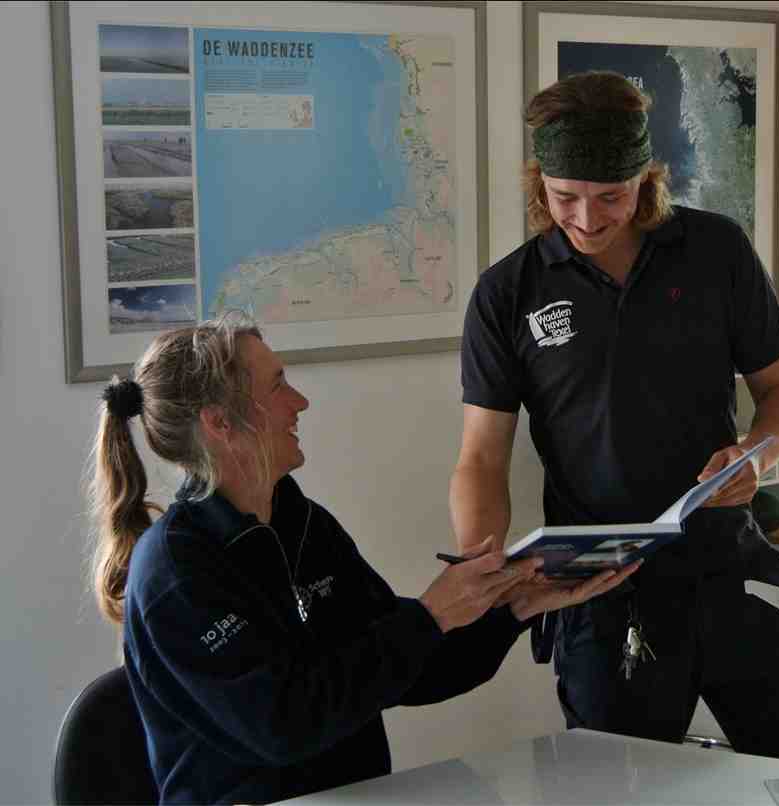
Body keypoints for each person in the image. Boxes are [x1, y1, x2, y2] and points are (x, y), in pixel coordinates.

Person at [87, 315, 638, 805]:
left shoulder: (302, 524)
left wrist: (514, 607)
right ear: (220, 423)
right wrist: (429, 616)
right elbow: (284, 726)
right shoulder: (175, 571)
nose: (299, 402)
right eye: (278, 386)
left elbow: (411, 672)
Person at [449, 71, 779, 759]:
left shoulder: (716, 251)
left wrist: (756, 455)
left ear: (646, 179)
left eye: (609, 197)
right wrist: (482, 564)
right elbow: (480, 458)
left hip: (729, 572)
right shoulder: (506, 293)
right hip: (601, 595)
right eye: (565, 199)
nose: (586, 219)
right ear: (540, 186)